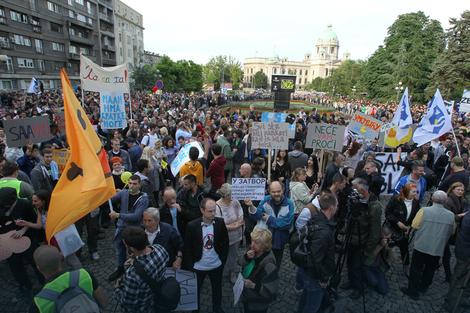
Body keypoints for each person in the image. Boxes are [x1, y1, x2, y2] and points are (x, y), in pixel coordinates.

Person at [401, 191, 455, 300]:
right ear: (445, 201)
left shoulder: (424, 210)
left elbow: (415, 225)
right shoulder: (451, 215)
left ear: (432, 199)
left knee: (416, 268)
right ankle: (423, 287)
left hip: (422, 245)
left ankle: (412, 290)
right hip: (437, 247)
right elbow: (452, 231)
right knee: (430, 269)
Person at [183, 198, 229, 313]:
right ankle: (195, 309)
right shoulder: (192, 226)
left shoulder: (220, 223)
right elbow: (187, 248)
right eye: (210, 211)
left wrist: (222, 261)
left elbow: (225, 243)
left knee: (217, 289)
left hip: (216, 265)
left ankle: (217, 308)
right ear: (202, 210)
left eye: (214, 211)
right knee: (196, 290)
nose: (213, 213)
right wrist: (191, 266)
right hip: (198, 267)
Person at [31, 245, 107, 313]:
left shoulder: (39, 301)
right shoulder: (84, 275)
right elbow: (103, 302)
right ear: (61, 259)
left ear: (39, 268)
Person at [341, 178, 382, 300]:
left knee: (357, 266)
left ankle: (358, 288)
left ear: (363, 191)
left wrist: (368, 250)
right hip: (351, 238)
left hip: (362, 241)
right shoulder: (355, 201)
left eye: (355, 189)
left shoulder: (374, 206)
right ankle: (351, 281)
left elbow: (375, 232)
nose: (352, 192)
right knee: (349, 262)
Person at [297, 192, 338, 313]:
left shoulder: (315, 217)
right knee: (312, 306)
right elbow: (316, 258)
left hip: (308, 271)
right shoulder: (323, 232)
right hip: (314, 276)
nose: (337, 208)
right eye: (337, 205)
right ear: (331, 207)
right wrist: (323, 278)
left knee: (306, 297)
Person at [115, 226, 169, 313]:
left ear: (131, 248)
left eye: (125, 244)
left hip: (143, 308)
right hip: (157, 298)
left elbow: (128, 304)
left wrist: (117, 287)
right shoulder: (160, 249)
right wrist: (135, 259)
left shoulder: (131, 275)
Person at [0, 187, 41, 298]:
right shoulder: (2, 204)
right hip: (7, 243)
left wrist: (23, 230)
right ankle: (26, 286)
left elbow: (33, 220)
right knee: (15, 266)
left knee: (34, 260)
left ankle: (43, 281)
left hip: (27, 238)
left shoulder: (25, 204)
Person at [108, 175, 149, 281]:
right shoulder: (124, 193)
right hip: (121, 227)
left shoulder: (144, 198)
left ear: (139, 184)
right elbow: (110, 200)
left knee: (134, 252)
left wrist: (118, 215)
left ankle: (135, 271)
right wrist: (107, 192)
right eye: (130, 183)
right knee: (119, 249)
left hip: (134, 230)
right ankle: (120, 268)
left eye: (135, 184)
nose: (132, 185)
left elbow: (136, 217)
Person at [246, 181, 295, 268]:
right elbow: (257, 216)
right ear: (269, 191)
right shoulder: (265, 200)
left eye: (279, 191)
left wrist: (269, 219)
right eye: (273, 192)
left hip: (279, 240)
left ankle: (272, 277)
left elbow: (286, 223)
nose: (276, 194)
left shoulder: (289, 203)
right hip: (264, 240)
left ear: (283, 190)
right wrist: (251, 206)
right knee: (260, 261)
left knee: (275, 263)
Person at [239, 228, 279, 313]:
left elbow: (271, 292)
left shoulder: (269, 264)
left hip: (257, 304)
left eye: (256, 242)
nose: (252, 244)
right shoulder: (253, 250)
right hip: (248, 297)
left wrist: (253, 285)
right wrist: (246, 257)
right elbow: (240, 263)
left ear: (265, 245)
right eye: (252, 240)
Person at [385, 183, 420, 270]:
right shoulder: (396, 199)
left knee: (404, 248)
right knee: (385, 247)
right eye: (413, 191)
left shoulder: (415, 203)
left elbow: (416, 217)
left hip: (404, 231)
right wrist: (397, 222)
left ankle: (406, 267)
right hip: (390, 229)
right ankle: (383, 263)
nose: (416, 193)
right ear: (407, 191)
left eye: (416, 191)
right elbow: (387, 212)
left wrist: (410, 227)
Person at [215, 183, 244, 282]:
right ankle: (222, 271)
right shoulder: (217, 206)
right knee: (223, 255)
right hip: (224, 238)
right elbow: (220, 226)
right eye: (231, 195)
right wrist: (236, 225)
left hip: (236, 236)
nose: (233, 196)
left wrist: (232, 226)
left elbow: (241, 217)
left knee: (234, 255)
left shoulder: (235, 202)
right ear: (225, 195)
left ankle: (232, 272)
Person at [443, 182, 468, 282]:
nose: (461, 192)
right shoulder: (448, 201)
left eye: (462, 190)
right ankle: (448, 275)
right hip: (445, 231)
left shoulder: (462, 200)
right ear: (452, 189)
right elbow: (447, 217)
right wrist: (460, 216)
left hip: (453, 232)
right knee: (446, 254)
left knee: (446, 253)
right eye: (458, 190)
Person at [445, 210, 470, 312]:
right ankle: (451, 302)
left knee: (465, 281)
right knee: (459, 278)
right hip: (465, 254)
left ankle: (462, 298)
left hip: (464, 250)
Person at [364, 225, 392, 295]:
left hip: (377, 268)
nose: (386, 240)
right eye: (386, 237)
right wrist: (380, 246)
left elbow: (390, 258)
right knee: (373, 282)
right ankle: (363, 278)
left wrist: (387, 248)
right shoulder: (373, 240)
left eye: (388, 238)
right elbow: (368, 259)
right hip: (367, 267)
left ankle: (374, 279)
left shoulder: (386, 242)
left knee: (384, 290)